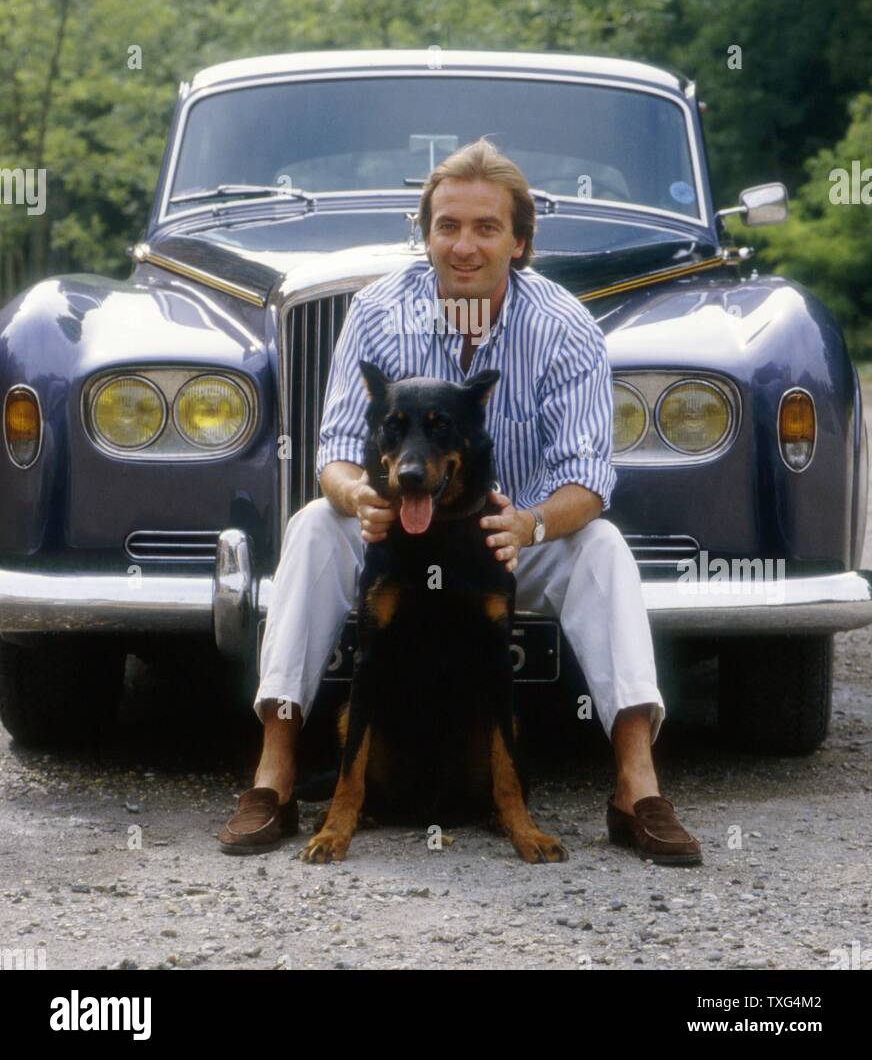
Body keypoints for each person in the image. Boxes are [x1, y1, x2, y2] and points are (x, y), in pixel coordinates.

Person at [218, 138, 702, 865]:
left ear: (521, 240)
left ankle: (637, 786)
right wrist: (358, 496)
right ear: (426, 233)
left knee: (603, 547)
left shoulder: (566, 325)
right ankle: (275, 773)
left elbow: (589, 480)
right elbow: (336, 455)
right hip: (397, 529)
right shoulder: (378, 311)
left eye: (485, 228)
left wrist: (531, 523)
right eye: (447, 226)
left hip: (516, 533)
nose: (464, 246)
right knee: (316, 525)